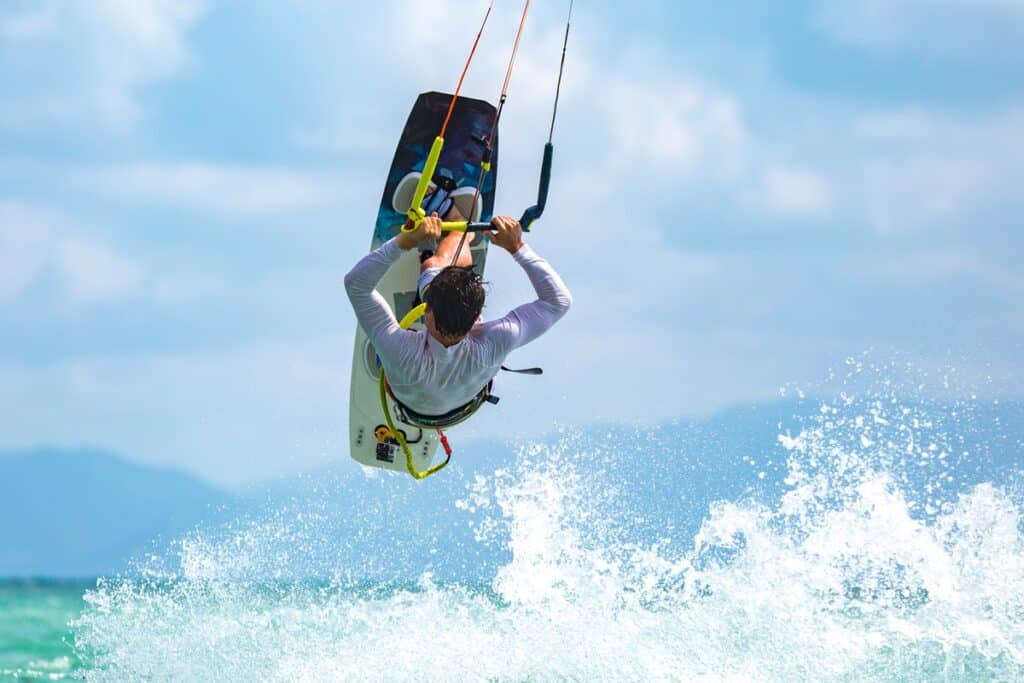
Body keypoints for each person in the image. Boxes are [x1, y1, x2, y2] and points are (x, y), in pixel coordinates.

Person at [344, 205, 572, 419]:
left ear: (427, 309)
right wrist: (517, 247)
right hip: (462, 408)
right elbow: (558, 302)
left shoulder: (399, 349)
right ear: (477, 317)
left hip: (406, 403)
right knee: (442, 269)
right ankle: (455, 231)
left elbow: (356, 285)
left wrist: (405, 241)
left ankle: (447, 238)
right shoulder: (498, 339)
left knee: (432, 268)